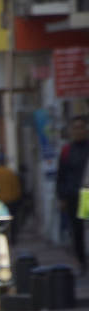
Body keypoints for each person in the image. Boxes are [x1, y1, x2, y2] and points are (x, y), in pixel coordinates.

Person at [56, 114, 89, 274]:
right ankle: (81, 261)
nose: (79, 131)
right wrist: (62, 197)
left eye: (82, 127)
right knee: (77, 231)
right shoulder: (67, 151)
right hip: (75, 196)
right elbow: (61, 175)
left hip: (87, 194)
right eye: (75, 128)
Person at [0, 153, 22, 244]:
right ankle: (12, 239)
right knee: (12, 222)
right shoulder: (10, 173)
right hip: (12, 201)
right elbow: (17, 188)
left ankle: (0, 238)